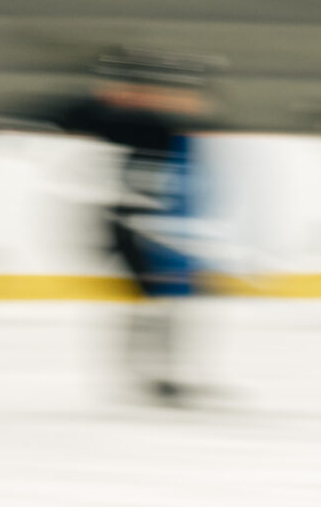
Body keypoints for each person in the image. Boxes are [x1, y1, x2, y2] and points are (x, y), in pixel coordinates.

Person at [44, 48, 218, 404]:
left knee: (161, 301)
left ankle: (155, 373)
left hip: (152, 225)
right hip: (130, 226)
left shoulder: (155, 126)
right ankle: (152, 374)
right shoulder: (119, 120)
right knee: (156, 300)